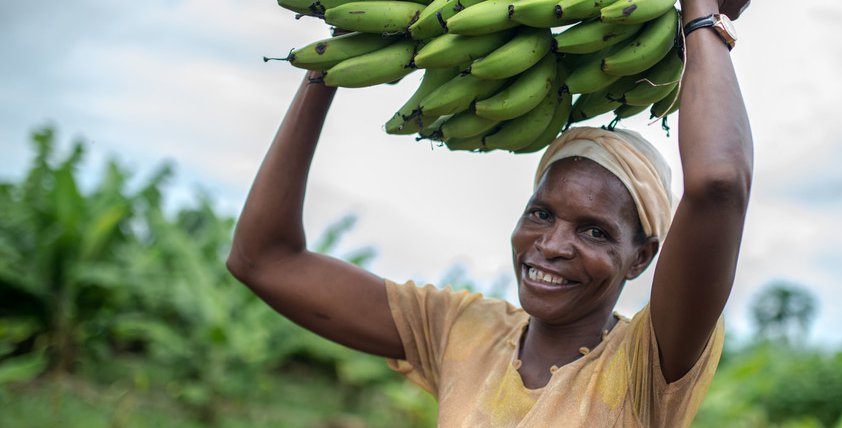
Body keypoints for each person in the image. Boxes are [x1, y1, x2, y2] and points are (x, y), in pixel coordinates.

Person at [227, 0, 753, 424]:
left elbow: (718, 184)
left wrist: (700, 13)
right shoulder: (463, 332)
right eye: (541, 214)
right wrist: (331, 62)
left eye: (594, 231)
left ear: (640, 257)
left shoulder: (646, 367)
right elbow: (264, 260)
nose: (551, 245)